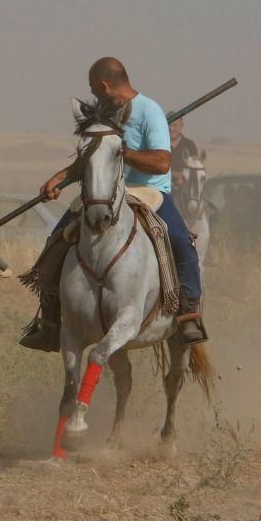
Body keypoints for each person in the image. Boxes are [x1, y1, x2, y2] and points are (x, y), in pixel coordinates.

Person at [22, 57, 207, 351]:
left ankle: (189, 313)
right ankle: (50, 323)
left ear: (106, 86)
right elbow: (92, 157)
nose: (94, 96)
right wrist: (58, 178)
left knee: (182, 241)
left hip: (149, 192)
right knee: (55, 242)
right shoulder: (106, 112)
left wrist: (124, 152)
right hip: (104, 191)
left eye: (95, 90)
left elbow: (161, 163)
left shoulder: (150, 112)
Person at [169, 114, 200, 194]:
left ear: (182, 125)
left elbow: (195, 169)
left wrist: (183, 177)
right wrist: (174, 175)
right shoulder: (159, 145)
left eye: (175, 125)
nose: (171, 128)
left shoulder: (190, 145)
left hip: (186, 194)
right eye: (169, 125)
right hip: (163, 191)